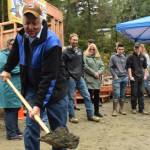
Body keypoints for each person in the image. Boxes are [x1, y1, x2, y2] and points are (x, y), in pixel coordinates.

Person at [0, 3, 68, 150]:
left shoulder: (52, 42)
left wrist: (38, 104)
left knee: (58, 131)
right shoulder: (21, 36)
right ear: (22, 22)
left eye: (34, 23)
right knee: (31, 127)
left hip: (55, 90)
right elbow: (15, 54)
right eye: (27, 23)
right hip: (32, 88)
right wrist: (7, 69)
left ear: (41, 20)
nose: (30, 27)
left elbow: (49, 78)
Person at [62, 33, 100, 124]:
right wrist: (68, 76)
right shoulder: (65, 52)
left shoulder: (79, 51)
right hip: (71, 78)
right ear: (70, 40)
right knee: (71, 98)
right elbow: (62, 65)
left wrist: (82, 73)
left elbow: (82, 63)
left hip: (80, 77)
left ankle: (90, 115)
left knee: (87, 95)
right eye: (74, 40)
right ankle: (72, 117)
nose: (75, 41)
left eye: (76, 40)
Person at [0, 39, 22, 140]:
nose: (14, 46)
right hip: (8, 87)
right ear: (8, 45)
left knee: (16, 108)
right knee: (10, 109)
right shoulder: (3, 55)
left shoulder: (18, 55)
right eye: (12, 44)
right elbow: (6, 68)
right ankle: (11, 134)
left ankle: (15, 129)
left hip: (16, 86)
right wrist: (23, 69)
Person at [126, 43, 148, 114]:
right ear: (134, 48)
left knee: (141, 93)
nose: (137, 49)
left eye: (138, 48)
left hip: (141, 77)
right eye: (136, 48)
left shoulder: (143, 57)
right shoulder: (130, 57)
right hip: (134, 77)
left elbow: (145, 67)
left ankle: (141, 109)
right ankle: (134, 108)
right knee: (134, 93)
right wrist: (130, 76)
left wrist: (145, 75)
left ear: (140, 48)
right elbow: (129, 67)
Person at [84, 43, 104, 117]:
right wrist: (94, 73)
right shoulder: (85, 56)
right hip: (89, 80)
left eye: (94, 49)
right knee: (89, 97)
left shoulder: (98, 57)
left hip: (97, 80)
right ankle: (90, 112)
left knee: (97, 97)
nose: (92, 50)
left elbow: (102, 66)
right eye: (91, 49)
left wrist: (98, 73)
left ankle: (97, 111)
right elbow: (85, 67)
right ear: (88, 49)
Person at [109, 43, 128, 116]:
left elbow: (126, 67)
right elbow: (110, 67)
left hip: (124, 78)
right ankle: (114, 110)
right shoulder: (113, 57)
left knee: (123, 94)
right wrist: (115, 75)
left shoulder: (124, 57)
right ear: (117, 49)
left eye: (122, 49)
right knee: (117, 94)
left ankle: (121, 109)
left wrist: (127, 75)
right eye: (119, 49)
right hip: (117, 78)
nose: (121, 51)